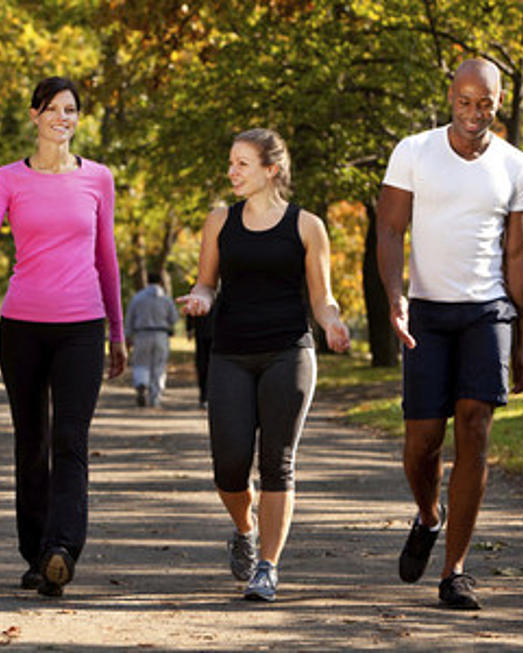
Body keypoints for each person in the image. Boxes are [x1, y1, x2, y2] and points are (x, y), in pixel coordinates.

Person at [0, 76, 126, 598]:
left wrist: (117, 330)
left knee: (71, 441)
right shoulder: (6, 180)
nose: (64, 117)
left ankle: (61, 549)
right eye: (54, 109)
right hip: (21, 327)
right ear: (35, 115)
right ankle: (36, 553)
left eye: (72, 110)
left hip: (82, 328)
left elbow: (106, 258)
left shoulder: (99, 180)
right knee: (31, 443)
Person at [376, 59, 523, 610]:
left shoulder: (516, 166)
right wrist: (396, 298)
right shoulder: (414, 151)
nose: (473, 114)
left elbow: (519, 256)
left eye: (484, 104)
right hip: (426, 311)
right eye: (464, 102)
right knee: (422, 443)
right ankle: (428, 515)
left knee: (475, 428)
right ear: (451, 97)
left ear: (497, 103)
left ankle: (456, 571)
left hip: (486, 312)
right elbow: (391, 229)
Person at [178, 128, 350, 602]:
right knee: (229, 466)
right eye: (231, 163)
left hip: (288, 352)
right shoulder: (219, 221)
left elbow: (322, 297)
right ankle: (244, 526)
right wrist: (199, 298)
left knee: (278, 462)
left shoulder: (307, 226)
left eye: (242, 164)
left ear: (270, 170)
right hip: (230, 352)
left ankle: (268, 568)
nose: (231, 171)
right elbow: (207, 283)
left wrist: (333, 324)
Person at [124, 271, 180, 407]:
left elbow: (129, 319)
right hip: (161, 334)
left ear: (147, 280)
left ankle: (141, 383)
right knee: (159, 366)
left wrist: (128, 337)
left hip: (142, 334)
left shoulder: (137, 298)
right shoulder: (166, 299)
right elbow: (174, 318)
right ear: (161, 282)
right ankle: (155, 397)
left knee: (141, 363)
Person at [186, 307, 214, 408]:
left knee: (203, 364)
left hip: (202, 331)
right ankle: (207, 395)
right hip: (214, 332)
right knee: (211, 365)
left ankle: (204, 396)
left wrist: (189, 328)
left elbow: (191, 310)